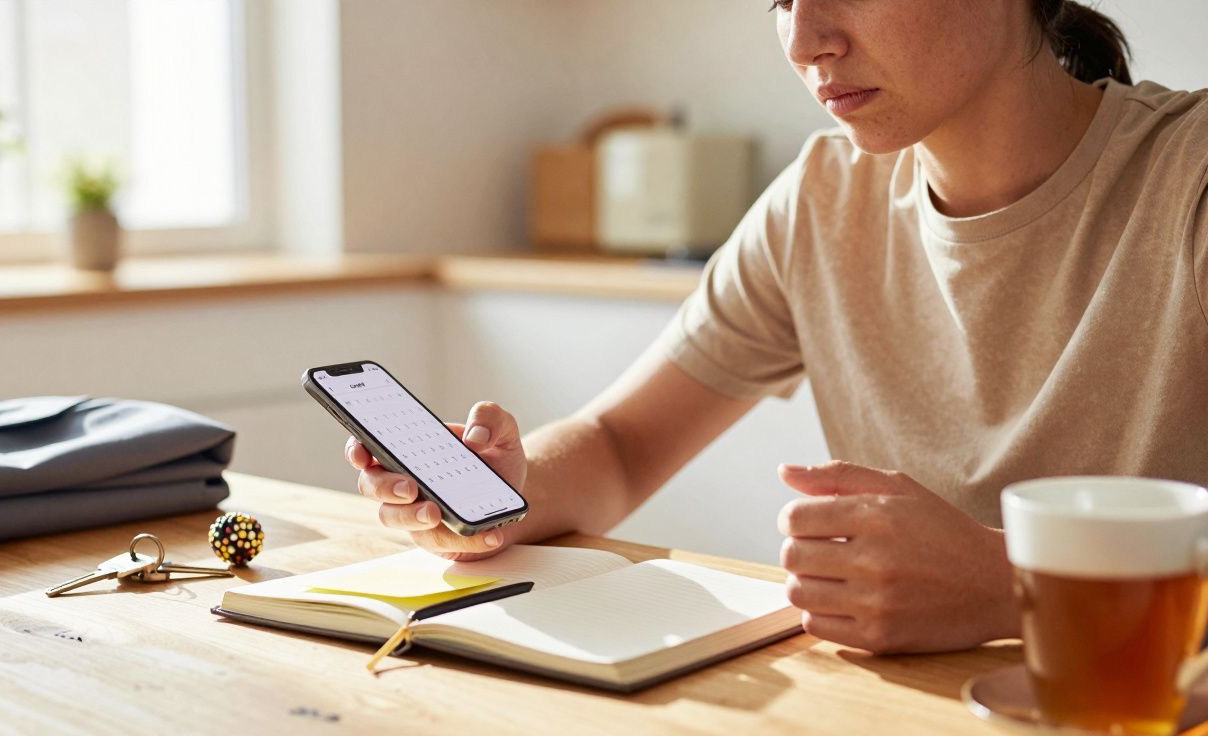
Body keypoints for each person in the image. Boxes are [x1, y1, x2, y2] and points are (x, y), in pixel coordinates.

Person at [346, 0, 1208, 654]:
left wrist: (1020, 587)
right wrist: (502, 491)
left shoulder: (1189, 177)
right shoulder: (821, 199)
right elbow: (619, 445)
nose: (804, 43)